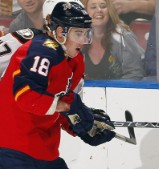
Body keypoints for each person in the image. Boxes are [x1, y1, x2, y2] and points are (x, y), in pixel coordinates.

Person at [0, 1, 115, 168]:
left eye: (86, 33)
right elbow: (28, 95)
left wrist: (84, 125)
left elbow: (64, 107)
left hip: (44, 151)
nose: (84, 40)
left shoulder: (76, 62)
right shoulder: (28, 42)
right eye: (78, 32)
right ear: (59, 30)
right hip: (11, 147)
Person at [81, 0, 145, 80]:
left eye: (103, 6)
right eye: (93, 7)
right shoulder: (77, 39)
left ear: (110, 11)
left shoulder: (123, 37)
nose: (99, 10)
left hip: (120, 91)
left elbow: (135, 74)